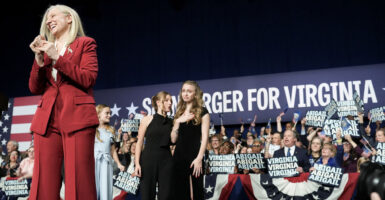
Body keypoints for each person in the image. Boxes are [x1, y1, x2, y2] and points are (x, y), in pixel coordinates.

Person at [28, 4, 99, 199]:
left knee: (79, 180)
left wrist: (56, 58)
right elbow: (34, 88)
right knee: (44, 183)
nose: (48, 20)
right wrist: (39, 59)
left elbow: (88, 78)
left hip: (77, 118)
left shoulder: (85, 44)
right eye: (46, 19)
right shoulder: (45, 50)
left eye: (53, 16)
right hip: (47, 121)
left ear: (69, 18)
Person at [171, 80, 210, 200]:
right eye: (183, 91)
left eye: (189, 91)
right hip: (179, 156)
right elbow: (173, 139)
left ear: (195, 94)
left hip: (195, 156)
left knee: (197, 192)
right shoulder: (178, 112)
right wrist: (177, 122)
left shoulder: (203, 112)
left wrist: (199, 158)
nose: (185, 94)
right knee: (180, 192)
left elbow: (204, 138)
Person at [134, 91, 174, 200]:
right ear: (158, 103)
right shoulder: (147, 120)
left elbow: (174, 142)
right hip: (148, 161)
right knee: (147, 195)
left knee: (165, 196)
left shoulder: (172, 122)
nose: (170, 103)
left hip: (166, 161)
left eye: (171, 101)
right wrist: (137, 163)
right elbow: (139, 143)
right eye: (166, 100)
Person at [95, 104, 125, 200]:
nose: (109, 115)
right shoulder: (92, 131)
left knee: (105, 189)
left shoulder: (111, 131)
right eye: (107, 113)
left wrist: (119, 164)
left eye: (110, 113)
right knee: (93, 189)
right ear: (98, 114)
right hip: (93, 163)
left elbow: (113, 151)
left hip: (106, 164)